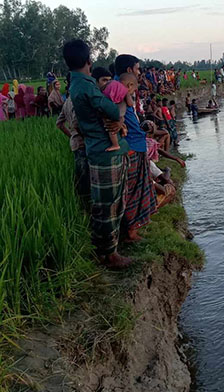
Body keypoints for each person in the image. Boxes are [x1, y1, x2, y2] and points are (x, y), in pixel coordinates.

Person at [64, 39, 130, 268]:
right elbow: (111, 109)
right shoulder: (86, 86)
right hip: (104, 152)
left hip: (99, 149)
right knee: (107, 204)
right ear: (87, 61)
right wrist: (119, 112)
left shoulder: (77, 84)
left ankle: (107, 249)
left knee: (107, 202)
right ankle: (109, 253)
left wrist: (117, 116)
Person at [115, 53, 158, 243]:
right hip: (131, 146)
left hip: (135, 142)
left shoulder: (124, 90)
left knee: (136, 189)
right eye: (138, 68)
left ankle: (132, 229)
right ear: (129, 70)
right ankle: (130, 233)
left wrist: (143, 125)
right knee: (133, 191)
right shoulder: (118, 90)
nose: (140, 72)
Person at [56, 80, 90, 209]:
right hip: (83, 143)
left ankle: (82, 204)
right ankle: (86, 206)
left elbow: (59, 124)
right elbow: (76, 123)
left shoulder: (67, 102)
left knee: (81, 175)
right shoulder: (77, 100)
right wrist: (81, 135)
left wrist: (72, 135)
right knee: (85, 177)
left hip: (75, 143)